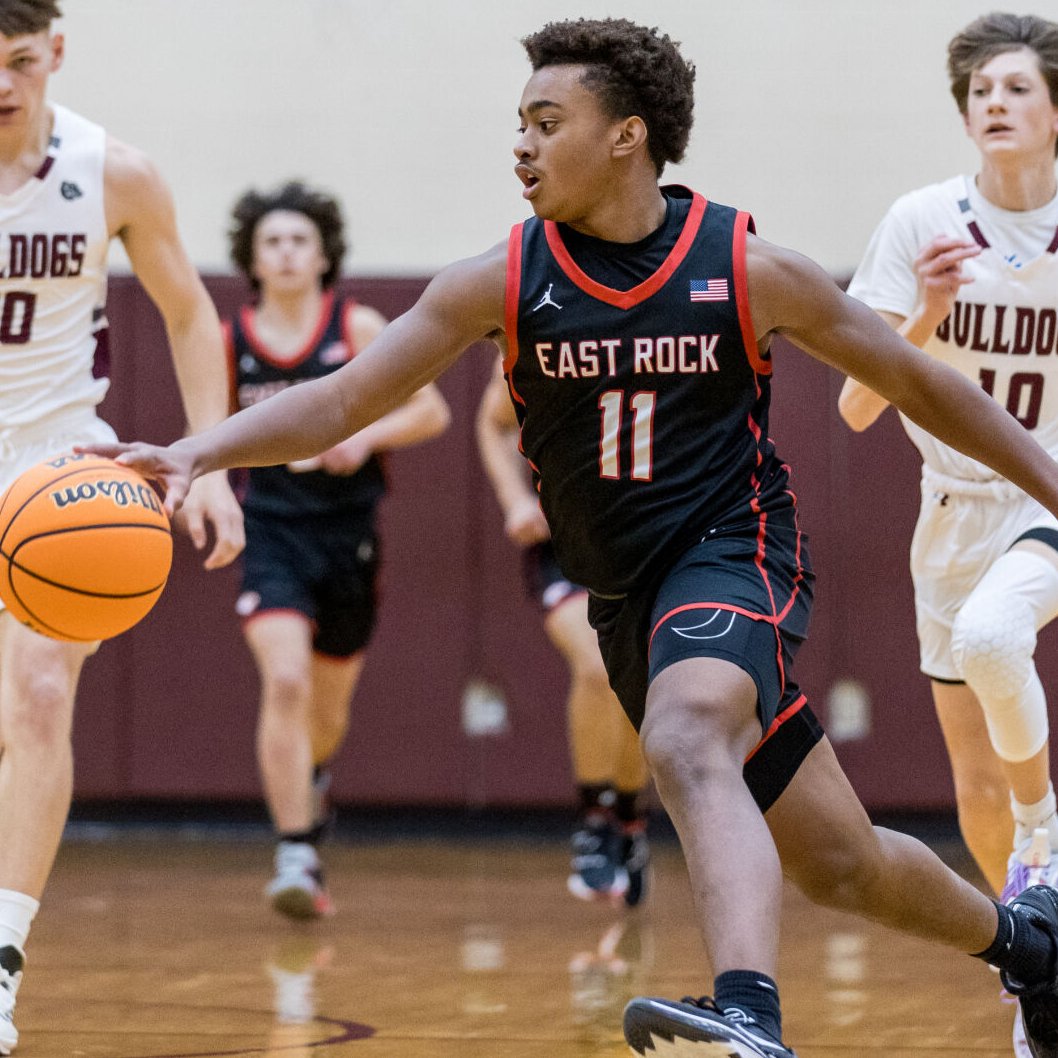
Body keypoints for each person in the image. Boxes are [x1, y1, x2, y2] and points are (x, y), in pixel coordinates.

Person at [81, 17, 1058, 1058]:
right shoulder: (498, 280)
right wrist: (199, 451)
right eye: (520, 123)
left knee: (685, 735)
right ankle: (1032, 945)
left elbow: (918, 382)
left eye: (547, 123)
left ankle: (745, 1016)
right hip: (626, 594)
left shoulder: (745, 265)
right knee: (839, 862)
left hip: (734, 551)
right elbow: (341, 399)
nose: (521, 145)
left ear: (625, 136)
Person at [0, 2, 244, 1053]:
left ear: (54, 53)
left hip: (60, 468)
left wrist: (212, 459)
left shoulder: (116, 172)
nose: (1, 85)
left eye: (17, 61)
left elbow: (191, 312)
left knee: (42, 693)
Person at [839, 11, 1058, 909]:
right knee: (974, 781)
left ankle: (1045, 832)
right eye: (980, 92)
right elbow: (854, 410)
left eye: (1017, 88)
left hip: (1046, 496)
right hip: (952, 511)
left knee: (994, 637)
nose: (995, 103)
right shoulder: (920, 220)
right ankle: (1033, 962)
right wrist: (925, 311)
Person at [224, 181, 450, 919]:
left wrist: (364, 435)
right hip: (273, 534)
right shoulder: (233, 342)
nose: (287, 253)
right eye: (272, 243)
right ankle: (296, 850)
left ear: (324, 256)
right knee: (283, 682)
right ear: (252, 260)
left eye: (299, 241)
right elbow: (213, 427)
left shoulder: (354, 326)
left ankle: (313, 773)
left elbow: (429, 409)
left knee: (326, 705)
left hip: (347, 534)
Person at [476, 355, 650, 906]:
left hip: (648, 535)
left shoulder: (673, 323)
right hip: (566, 543)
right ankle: (596, 819)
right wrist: (514, 499)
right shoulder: (550, 329)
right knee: (598, 665)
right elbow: (493, 419)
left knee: (640, 682)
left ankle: (630, 817)